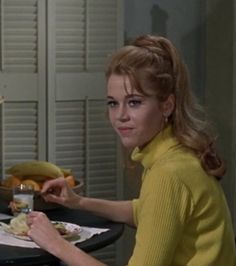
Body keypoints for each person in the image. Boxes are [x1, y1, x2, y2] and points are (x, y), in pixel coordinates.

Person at [26, 35, 236, 266]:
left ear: (167, 105)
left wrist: (56, 244)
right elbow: (147, 211)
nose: (120, 116)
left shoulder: (169, 173)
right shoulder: (175, 154)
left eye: (134, 102)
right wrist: (78, 202)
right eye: (113, 103)